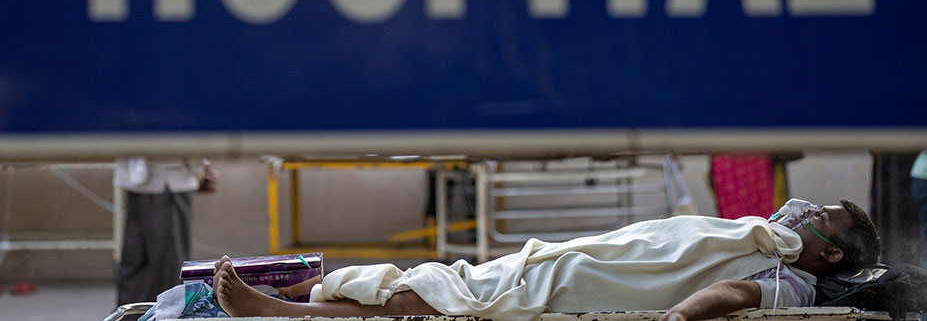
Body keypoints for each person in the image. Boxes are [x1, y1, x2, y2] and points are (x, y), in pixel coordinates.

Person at [211, 199, 880, 321]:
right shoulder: (771, 235)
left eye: (821, 216)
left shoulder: (792, 279)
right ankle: (303, 290)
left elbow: (732, 293)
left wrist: (676, 318)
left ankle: (278, 307)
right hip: (589, 257)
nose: (804, 209)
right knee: (456, 281)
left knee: (446, 295)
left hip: (581, 282)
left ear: (831, 252)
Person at [115, 157, 220, 305]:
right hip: (146, 178)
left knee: (163, 274)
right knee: (139, 268)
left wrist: (199, 167)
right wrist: (200, 167)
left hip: (166, 180)